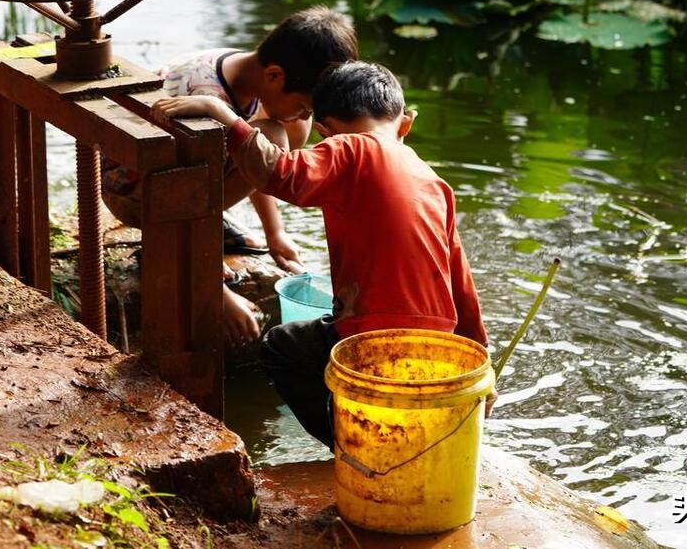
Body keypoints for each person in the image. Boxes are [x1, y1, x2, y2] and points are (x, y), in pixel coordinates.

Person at [151, 61, 488, 447]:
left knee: (282, 348)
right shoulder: (435, 182)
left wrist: (223, 115)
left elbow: (277, 171)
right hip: (438, 346)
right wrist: (481, 364)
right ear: (405, 124)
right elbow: (462, 284)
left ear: (325, 131)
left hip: (371, 335)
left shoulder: (350, 148)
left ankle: (352, 449)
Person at [102, 5, 358, 347]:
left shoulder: (246, 72)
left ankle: (212, 225)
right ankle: (167, 252)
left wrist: (275, 233)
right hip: (139, 194)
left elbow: (251, 158)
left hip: (181, 176)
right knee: (274, 138)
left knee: (282, 130)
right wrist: (213, 289)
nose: (305, 115)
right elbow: (182, 194)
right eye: (303, 104)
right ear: (275, 76)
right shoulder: (208, 97)